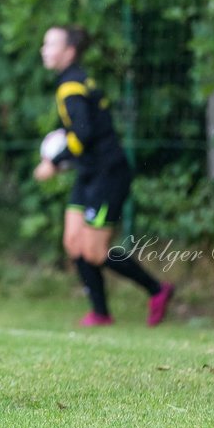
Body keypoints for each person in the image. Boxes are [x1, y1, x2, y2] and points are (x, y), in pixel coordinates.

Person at [35, 25, 175, 327]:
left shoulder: (71, 87)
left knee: (94, 251)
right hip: (88, 172)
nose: (43, 50)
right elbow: (84, 131)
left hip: (108, 175)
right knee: (73, 242)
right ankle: (100, 313)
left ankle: (157, 290)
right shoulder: (72, 82)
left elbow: (83, 133)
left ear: (69, 52)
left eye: (50, 44)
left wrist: (54, 161)